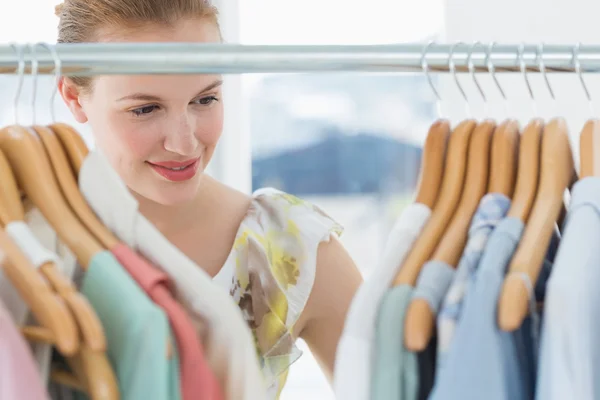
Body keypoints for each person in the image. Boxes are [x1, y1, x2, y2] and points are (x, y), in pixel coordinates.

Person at [55, 0, 363, 398]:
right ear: (74, 98)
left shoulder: (290, 249)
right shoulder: (21, 248)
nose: (184, 143)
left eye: (205, 99)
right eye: (145, 109)